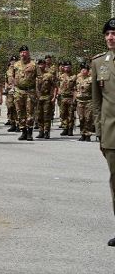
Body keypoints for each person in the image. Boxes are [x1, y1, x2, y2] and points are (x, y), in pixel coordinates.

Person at [91, 17, 115, 247]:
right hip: (111, 133)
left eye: (114, 33)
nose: (110, 37)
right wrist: (99, 131)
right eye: (107, 33)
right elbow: (96, 102)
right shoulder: (99, 63)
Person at [13, 45, 37, 141]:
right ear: (20, 54)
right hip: (19, 91)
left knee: (30, 112)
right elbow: (12, 77)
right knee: (20, 112)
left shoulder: (33, 65)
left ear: (28, 53)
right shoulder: (16, 65)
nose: (23, 54)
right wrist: (13, 86)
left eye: (25, 52)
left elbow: (39, 78)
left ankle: (30, 133)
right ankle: (23, 131)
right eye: (22, 52)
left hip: (30, 91)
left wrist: (37, 92)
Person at [35, 59, 57, 139]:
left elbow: (55, 87)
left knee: (46, 115)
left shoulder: (49, 75)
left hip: (47, 97)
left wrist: (54, 97)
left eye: (42, 64)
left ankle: (47, 131)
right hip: (38, 97)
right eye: (39, 64)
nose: (40, 66)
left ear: (45, 65)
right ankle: (41, 131)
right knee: (39, 115)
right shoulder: (35, 76)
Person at [58, 61, 77, 136]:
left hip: (70, 97)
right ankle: (65, 128)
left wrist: (75, 99)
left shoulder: (74, 77)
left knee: (71, 114)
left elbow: (76, 89)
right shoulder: (61, 76)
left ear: (71, 67)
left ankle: (70, 129)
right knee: (63, 114)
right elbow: (57, 86)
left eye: (68, 67)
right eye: (65, 67)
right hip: (62, 98)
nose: (67, 68)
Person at [75, 62, 92, 141]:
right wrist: (74, 99)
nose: (83, 71)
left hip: (89, 101)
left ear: (88, 71)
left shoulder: (91, 79)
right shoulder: (78, 79)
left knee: (88, 118)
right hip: (79, 101)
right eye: (82, 69)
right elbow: (75, 89)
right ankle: (82, 133)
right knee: (81, 118)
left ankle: (88, 134)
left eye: (85, 69)